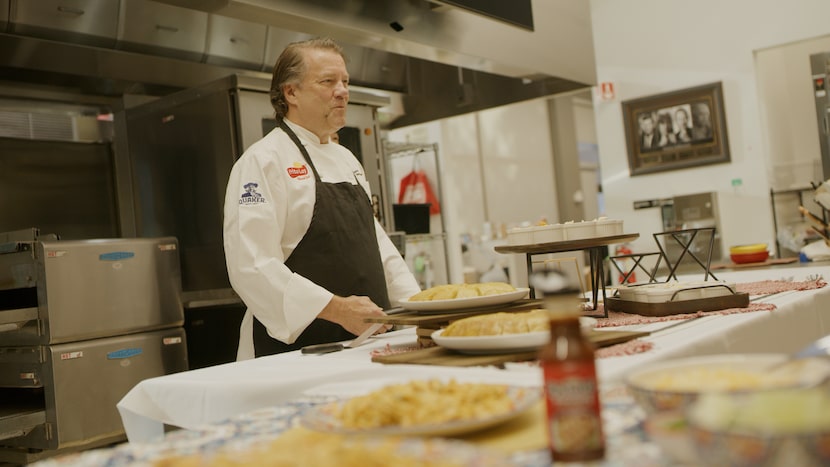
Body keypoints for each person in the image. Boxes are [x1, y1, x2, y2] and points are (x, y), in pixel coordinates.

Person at [223, 37, 420, 360]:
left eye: (345, 82)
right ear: (291, 92)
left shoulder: (346, 159)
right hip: (297, 355)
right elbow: (252, 266)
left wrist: (421, 308)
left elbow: (378, 247)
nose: (342, 91)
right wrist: (338, 309)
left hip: (367, 346)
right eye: (328, 81)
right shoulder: (263, 161)